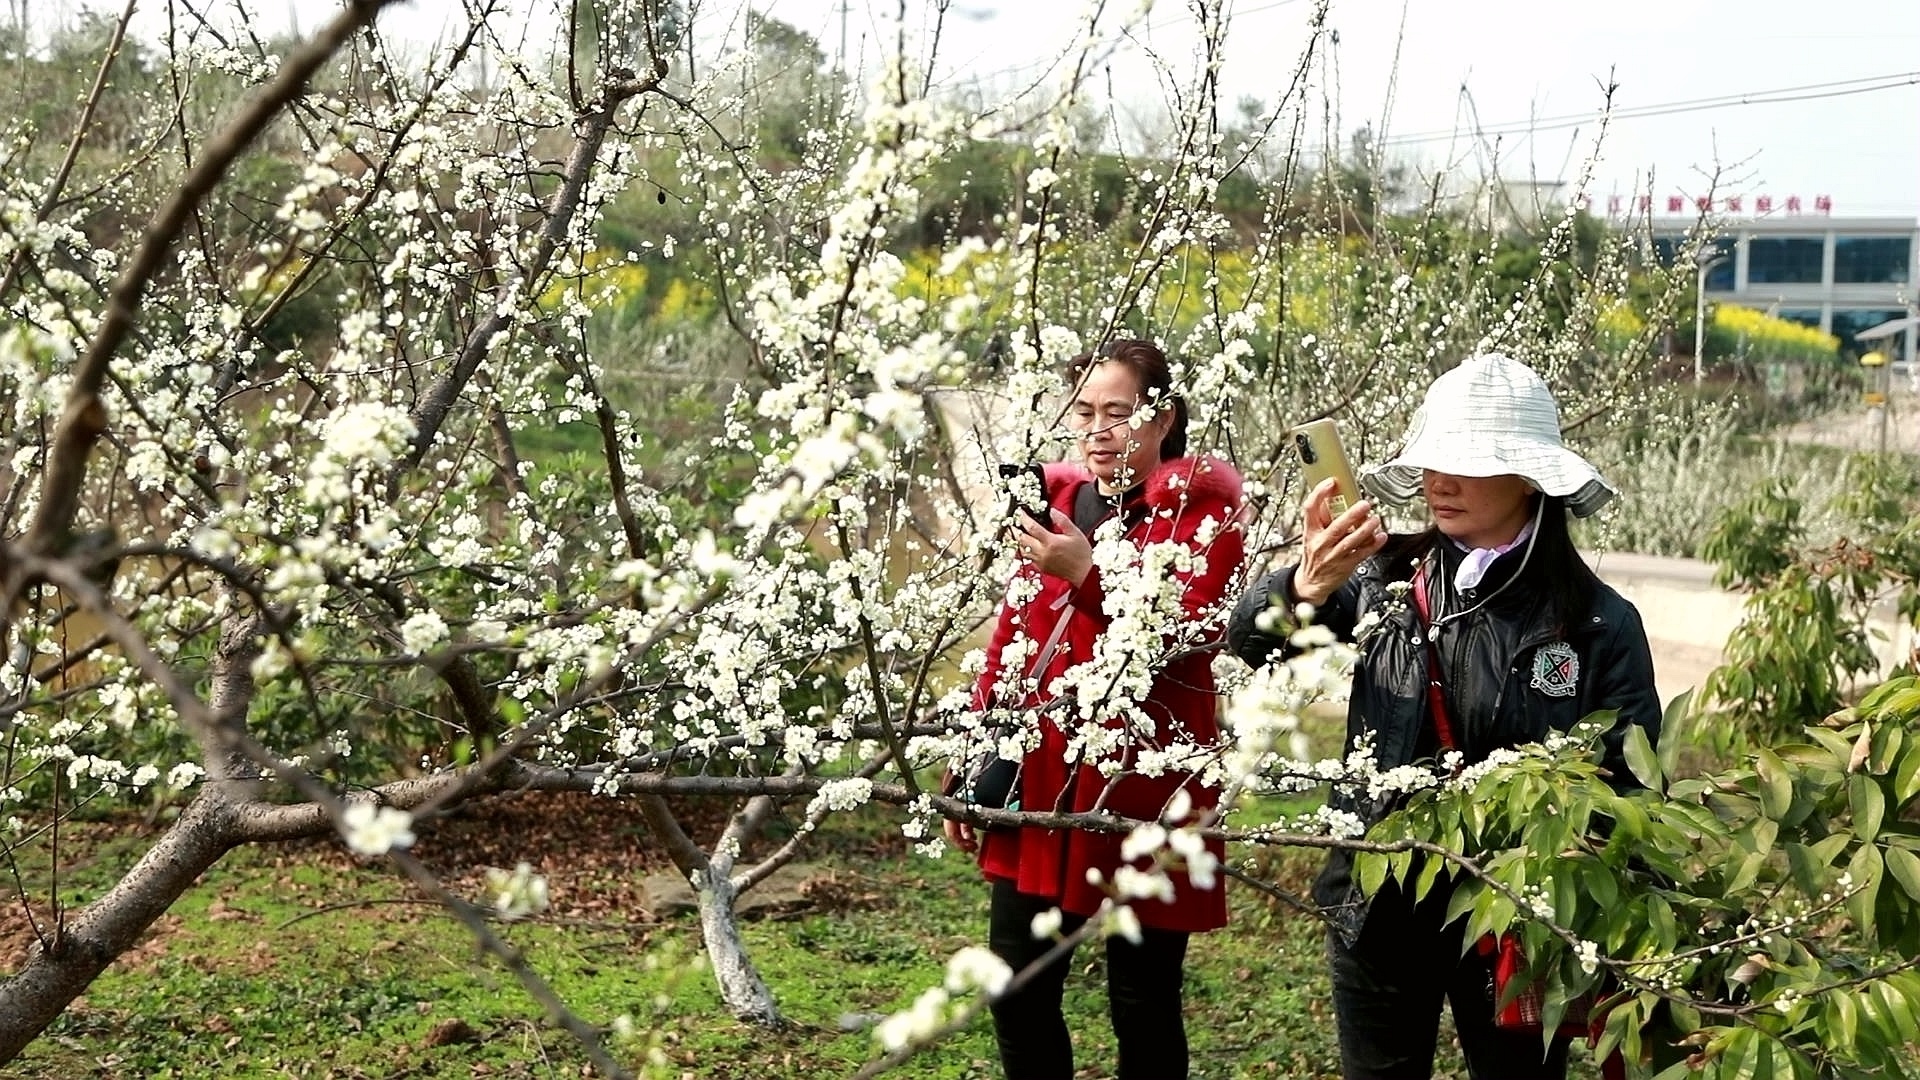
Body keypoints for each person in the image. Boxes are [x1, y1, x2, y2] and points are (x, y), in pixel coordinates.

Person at [1227, 352, 1661, 1080]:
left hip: (1516, 916)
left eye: (1468, 462)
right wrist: (1303, 585)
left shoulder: (1595, 624)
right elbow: (1252, 643)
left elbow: (1631, 789)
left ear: (1530, 476)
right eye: (1433, 459)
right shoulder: (1383, 576)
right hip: (1379, 900)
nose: (1439, 481)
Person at [944, 338, 1247, 1080]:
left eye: (1120, 412)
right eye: (1085, 411)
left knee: (1141, 1001)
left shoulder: (1201, 512)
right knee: (1017, 987)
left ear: (1164, 417)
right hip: (1042, 768)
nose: (1100, 430)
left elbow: (1195, 634)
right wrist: (971, 752)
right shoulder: (1053, 503)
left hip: (1147, 775)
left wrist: (1090, 576)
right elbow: (1013, 635)